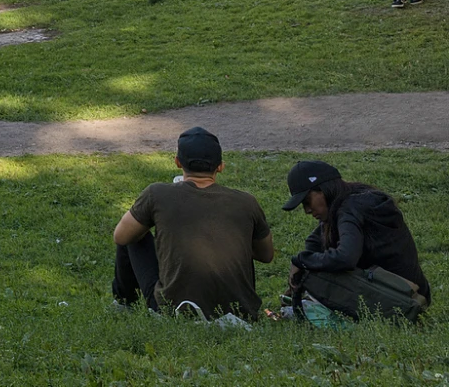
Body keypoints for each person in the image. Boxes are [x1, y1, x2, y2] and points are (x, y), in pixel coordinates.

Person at [110, 127, 274, 320]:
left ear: (178, 162)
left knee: (134, 233)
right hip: (240, 313)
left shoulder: (157, 194)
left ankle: (124, 302)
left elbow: (121, 236)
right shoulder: (247, 202)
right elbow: (266, 255)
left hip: (174, 310)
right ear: (220, 166)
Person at [282, 159, 432, 321]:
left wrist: (302, 261)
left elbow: (345, 258)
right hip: (413, 294)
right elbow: (314, 243)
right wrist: (301, 265)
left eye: (307, 201)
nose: (307, 210)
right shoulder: (353, 199)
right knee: (315, 266)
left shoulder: (350, 210)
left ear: (323, 191)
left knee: (322, 269)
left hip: (400, 301)